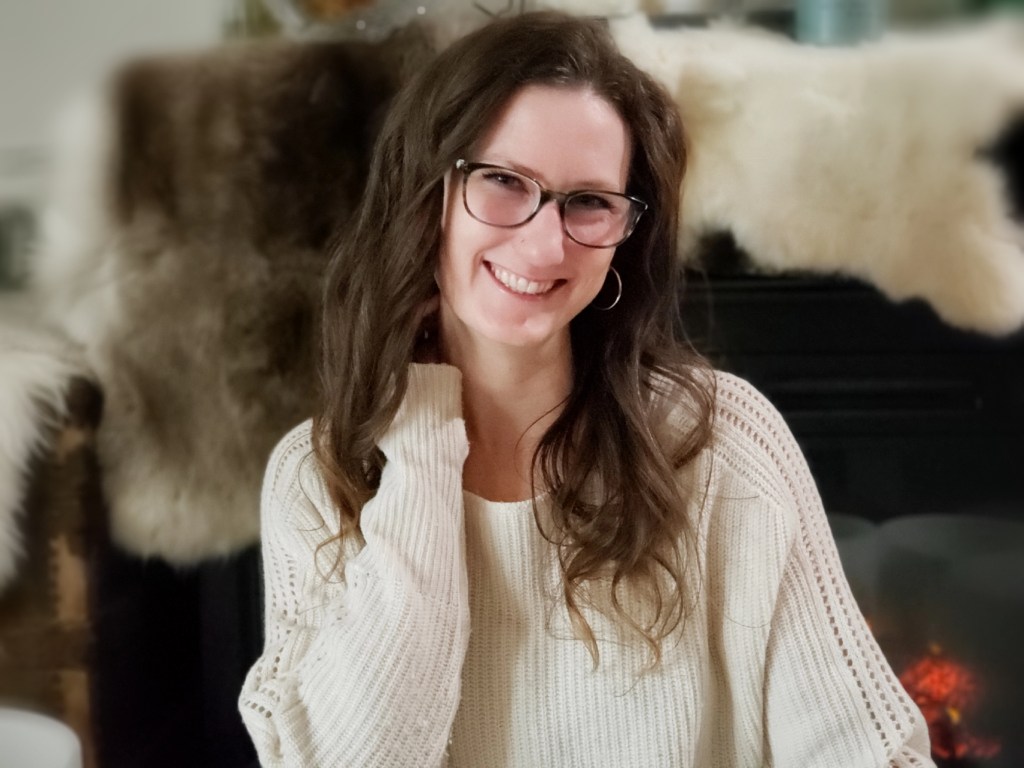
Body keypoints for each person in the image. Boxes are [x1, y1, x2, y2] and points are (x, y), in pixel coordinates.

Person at [239, 11, 934, 767]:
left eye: (590, 202)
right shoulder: (316, 476)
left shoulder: (723, 443)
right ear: (425, 195)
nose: (546, 246)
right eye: (503, 181)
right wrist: (423, 442)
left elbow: (871, 752)